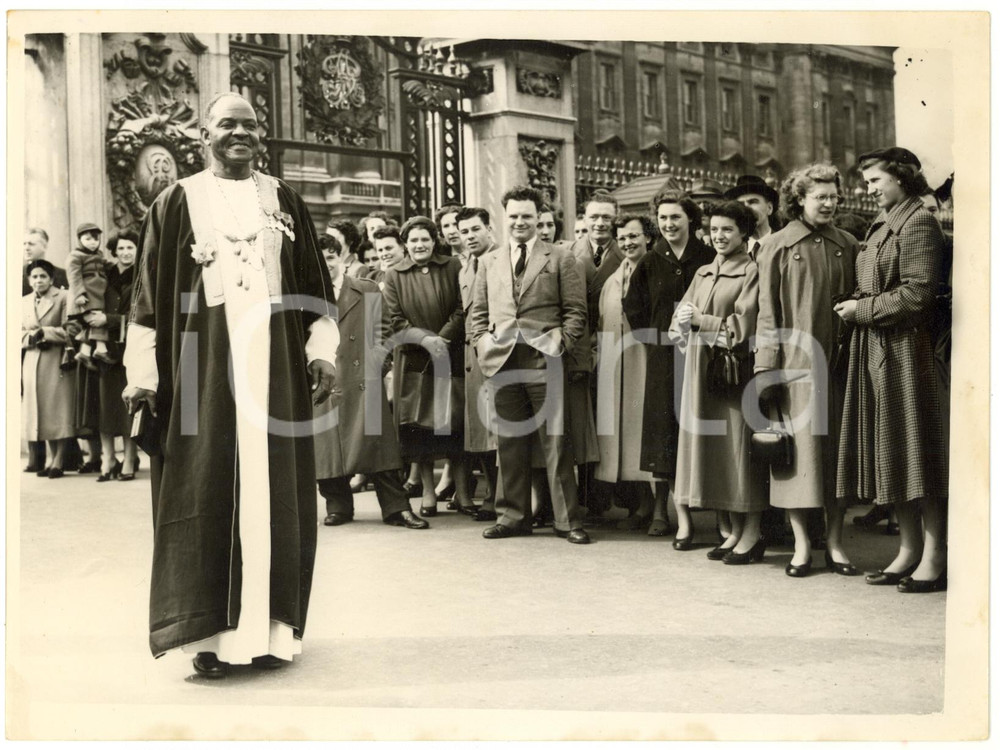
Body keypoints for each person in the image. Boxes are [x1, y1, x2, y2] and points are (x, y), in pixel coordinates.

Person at [122, 92, 338, 679]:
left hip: (276, 368)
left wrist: (321, 351)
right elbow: (146, 298)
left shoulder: (285, 200)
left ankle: (270, 632)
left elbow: (315, 286)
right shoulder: (176, 201)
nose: (240, 134)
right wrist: (143, 376)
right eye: (227, 125)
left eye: (250, 125)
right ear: (205, 136)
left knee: (276, 493)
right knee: (204, 490)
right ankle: (208, 638)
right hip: (201, 370)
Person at [835, 147, 949, 593]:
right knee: (893, 450)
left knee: (918, 452)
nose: (868, 189)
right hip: (879, 347)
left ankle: (934, 556)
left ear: (900, 178)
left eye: (875, 180)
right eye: (866, 182)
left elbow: (919, 293)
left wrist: (860, 310)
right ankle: (908, 550)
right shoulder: (884, 223)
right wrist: (856, 304)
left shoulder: (918, 222)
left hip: (908, 351)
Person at [468, 185, 590, 544]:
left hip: (544, 358)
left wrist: (560, 344)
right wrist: (482, 343)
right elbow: (478, 312)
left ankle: (567, 521)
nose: (519, 222)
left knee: (556, 442)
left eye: (526, 216)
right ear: (504, 218)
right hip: (501, 360)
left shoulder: (561, 257)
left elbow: (576, 311)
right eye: (513, 216)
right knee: (508, 442)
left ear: (539, 218)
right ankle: (512, 517)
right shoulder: (489, 261)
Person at [754, 163, 859, 578]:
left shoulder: (849, 244)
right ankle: (800, 545)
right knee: (799, 460)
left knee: (837, 458)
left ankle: (835, 543)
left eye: (833, 196)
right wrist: (766, 369)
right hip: (794, 367)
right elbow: (767, 311)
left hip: (839, 365)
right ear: (799, 200)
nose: (829, 203)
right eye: (820, 197)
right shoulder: (776, 245)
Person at [669, 201, 767, 561]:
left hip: (733, 373)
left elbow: (744, 327)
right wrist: (683, 322)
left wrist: (701, 321)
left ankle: (752, 532)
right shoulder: (704, 272)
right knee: (718, 452)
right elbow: (679, 320)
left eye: (727, 229)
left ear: (744, 233)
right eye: (713, 230)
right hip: (701, 371)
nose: (719, 236)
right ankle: (735, 530)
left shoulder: (751, 271)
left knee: (738, 451)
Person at [313, 233, 428, 530]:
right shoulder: (306, 293)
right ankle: (338, 506)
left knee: (379, 446)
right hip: (324, 379)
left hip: (362, 377)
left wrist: (377, 365)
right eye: (320, 260)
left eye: (331, 258)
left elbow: (384, 331)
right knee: (327, 448)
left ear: (342, 258)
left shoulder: (365, 289)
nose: (326, 265)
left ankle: (396, 508)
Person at [623, 189, 715, 547]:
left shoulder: (708, 257)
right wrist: (655, 341)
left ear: (690, 218)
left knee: (702, 428)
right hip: (663, 358)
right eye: (662, 218)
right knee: (662, 433)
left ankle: (716, 512)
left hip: (702, 354)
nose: (669, 223)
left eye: (675, 216)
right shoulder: (650, 261)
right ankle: (663, 511)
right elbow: (634, 307)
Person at [381, 216, 474, 516]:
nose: (419, 245)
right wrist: (425, 340)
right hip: (414, 356)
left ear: (434, 241)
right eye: (413, 240)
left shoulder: (453, 266)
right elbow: (395, 318)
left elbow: (462, 307)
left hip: (450, 352)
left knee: (454, 424)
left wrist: (443, 338)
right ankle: (428, 495)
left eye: (425, 239)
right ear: (405, 244)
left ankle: (464, 494)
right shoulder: (394, 274)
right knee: (418, 428)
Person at [594, 214, 662, 533]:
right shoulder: (612, 279)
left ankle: (660, 510)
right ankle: (641, 505)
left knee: (650, 437)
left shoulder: (657, 271)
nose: (627, 243)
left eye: (633, 236)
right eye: (622, 238)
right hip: (617, 368)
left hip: (647, 363)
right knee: (626, 441)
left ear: (648, 237)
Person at [455, 206, 502, 522]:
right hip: (472, 358)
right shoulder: (465, 269)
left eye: (475, 229)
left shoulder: (501, 261)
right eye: (464, 232)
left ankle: (501, 497)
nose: (470, 236)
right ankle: (491, 495)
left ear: (489, 229)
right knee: (480, 430)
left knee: (499, 429)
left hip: (496, 354)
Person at [90, 230, 141, 481]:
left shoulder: (141, 276)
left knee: (128, 406)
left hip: (131, 347)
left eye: (130, 247)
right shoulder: (105, 277)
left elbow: (141, 313)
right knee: (105, 405)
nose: (125, 253)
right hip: (105, 348)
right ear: (114, 252)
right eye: (120, 248)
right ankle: (108, 459)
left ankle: (129, 459)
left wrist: (108, 319)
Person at [22, 259, 77, 478]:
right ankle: (53, 459)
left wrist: (45, 333)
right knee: (42, 411)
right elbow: (14, 331)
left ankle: (59, 460)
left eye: (43, 276)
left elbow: (71, 329)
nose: (38, 280)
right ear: (29, 280)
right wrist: (30, 337)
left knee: (58, 409)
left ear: (51, 279)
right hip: (32, 360)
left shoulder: (63, 297)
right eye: (34, 277)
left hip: (56, 359)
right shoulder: (24, 302)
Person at [66, 222, 113, 365]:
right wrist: (79, 294)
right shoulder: (75, 256)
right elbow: (74, 277)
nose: (93, 242)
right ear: (79, 240)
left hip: (97, 293)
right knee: (96, 319)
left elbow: (106, 265)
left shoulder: (98, 254)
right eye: (88, 239)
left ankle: (85, 352)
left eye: (96, 239)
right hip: (87, 295)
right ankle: (101, 349)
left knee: (90, 324)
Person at [724, 174, 779, 260]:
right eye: (741, 204)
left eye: (753, 202)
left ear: (769, 208)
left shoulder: (783, 244)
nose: (746, 208)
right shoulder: (731, 249)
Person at [23, 227, 68, 295]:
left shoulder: (62, 275)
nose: (26, 248)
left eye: (31, 244)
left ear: (45, 246)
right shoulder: (17, 274)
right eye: (24, 244)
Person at [688, 178, 725, 246]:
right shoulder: (686, 239)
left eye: (707, 204)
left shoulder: (728, 239)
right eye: (698, 203)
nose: (702, 208)